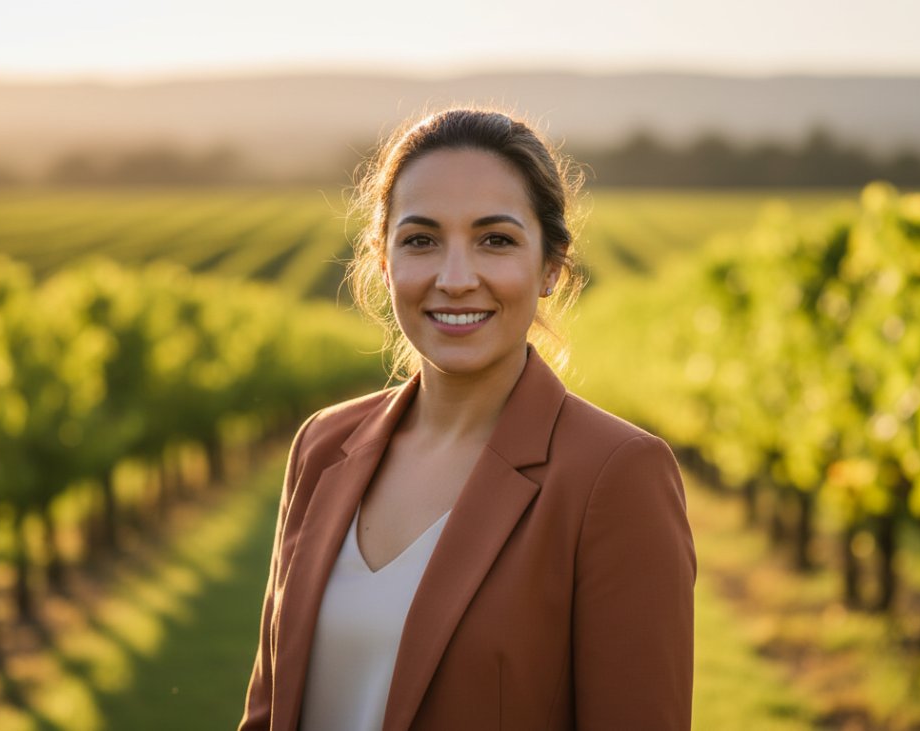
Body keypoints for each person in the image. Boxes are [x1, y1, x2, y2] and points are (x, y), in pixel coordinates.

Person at [239, 108, 695, 730]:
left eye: (496, 240)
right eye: (421, 240)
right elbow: (267, 713)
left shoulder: (615, 477)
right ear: (383, 262)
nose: (455, 279)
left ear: (551, 267)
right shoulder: (322, 445)